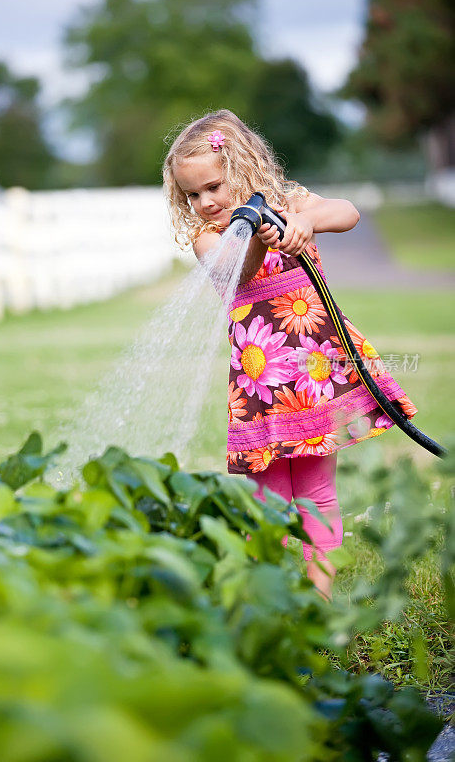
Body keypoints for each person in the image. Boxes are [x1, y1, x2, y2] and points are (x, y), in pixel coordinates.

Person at [162, 109, 418, 600]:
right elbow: (236, 271)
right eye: (192, 195)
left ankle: (318, 602)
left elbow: (346, 212)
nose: (204, 202)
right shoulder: (209, 237)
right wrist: (253, 234)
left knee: (317, 493)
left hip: (314, 375)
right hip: (262, 387)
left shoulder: (289, 202)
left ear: (240, 168)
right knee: (268, 500)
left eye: (213, 187)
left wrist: (299, 220)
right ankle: (279, 599)